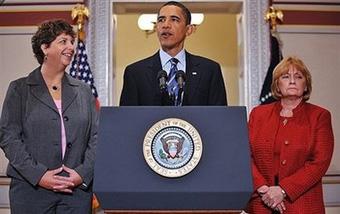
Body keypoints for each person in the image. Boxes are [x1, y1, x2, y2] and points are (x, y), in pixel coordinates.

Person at [0, 19, 98, 214]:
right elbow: (8, 137)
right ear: (45, 47)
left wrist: (81, 174)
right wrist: (39, 175)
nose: (71, 47)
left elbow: (97, 137)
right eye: (63, 41)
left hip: (76, 192)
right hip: (31, 191)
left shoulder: (84, 91)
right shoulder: (19, 89)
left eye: (72, 42)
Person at [246, 56, 334, 214]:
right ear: (277, 85)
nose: (292, 81)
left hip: (303, 205)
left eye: (298, 77)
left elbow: (319, 162)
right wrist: (263, 189)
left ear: (305, 85)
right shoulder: (258, 114)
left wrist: (283, 190)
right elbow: (245, 155)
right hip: (261, 204)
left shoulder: (320, 116)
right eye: (286, 77)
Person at [120, 1, 227, 106]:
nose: (166, 25)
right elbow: (127, 119)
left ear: (188, 30)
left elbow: (219, 118)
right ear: (156, 27)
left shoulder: (209, 70)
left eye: (174, 19)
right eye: (161, 20)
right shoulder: (135, 73)